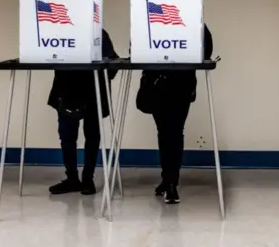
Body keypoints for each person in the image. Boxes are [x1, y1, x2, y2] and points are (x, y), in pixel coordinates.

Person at [136, 24, 213, 204]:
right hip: (179, 83)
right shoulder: (193, 19)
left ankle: (169, 181)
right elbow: (207, 51)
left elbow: (135, 49)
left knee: (167, 132)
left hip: (161, 82)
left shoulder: (150, 20)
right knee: (173, 132)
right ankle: (169, 182)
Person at [47, 29, 119, 195]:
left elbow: (112, 62)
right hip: (71, 91)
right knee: (70, 137)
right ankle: (76, 179)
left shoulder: (98, 33)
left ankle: (86, 179)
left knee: (85, 137)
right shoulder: (62, 32)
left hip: (89, 92)